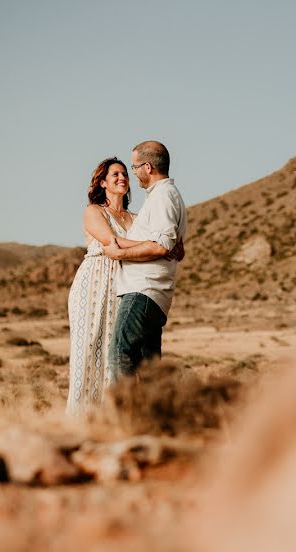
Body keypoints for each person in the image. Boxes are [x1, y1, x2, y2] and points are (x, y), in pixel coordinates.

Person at [102, 140, 187, 379]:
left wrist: (120, 253)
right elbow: (169, 246)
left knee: (120, 353)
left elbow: (161, 246)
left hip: (144, 290)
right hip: (152, 292)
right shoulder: (164, 196)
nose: (134, 173)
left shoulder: (163, 196)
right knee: (149, 367)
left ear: (147, 167)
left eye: (135, 166)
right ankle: (155, 413)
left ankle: (127, 414)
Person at [66, 158, 136, 416]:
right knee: (88, 349)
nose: (122, 178)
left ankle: (109, 418)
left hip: (125, 283)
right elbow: (111, 240)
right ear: (103, 182)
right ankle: (79, 420)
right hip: (94, 282)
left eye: (125, 174)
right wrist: (151, 245)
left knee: (114, 351)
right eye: (115, 174)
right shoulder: (94, 211)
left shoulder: (136, 218)